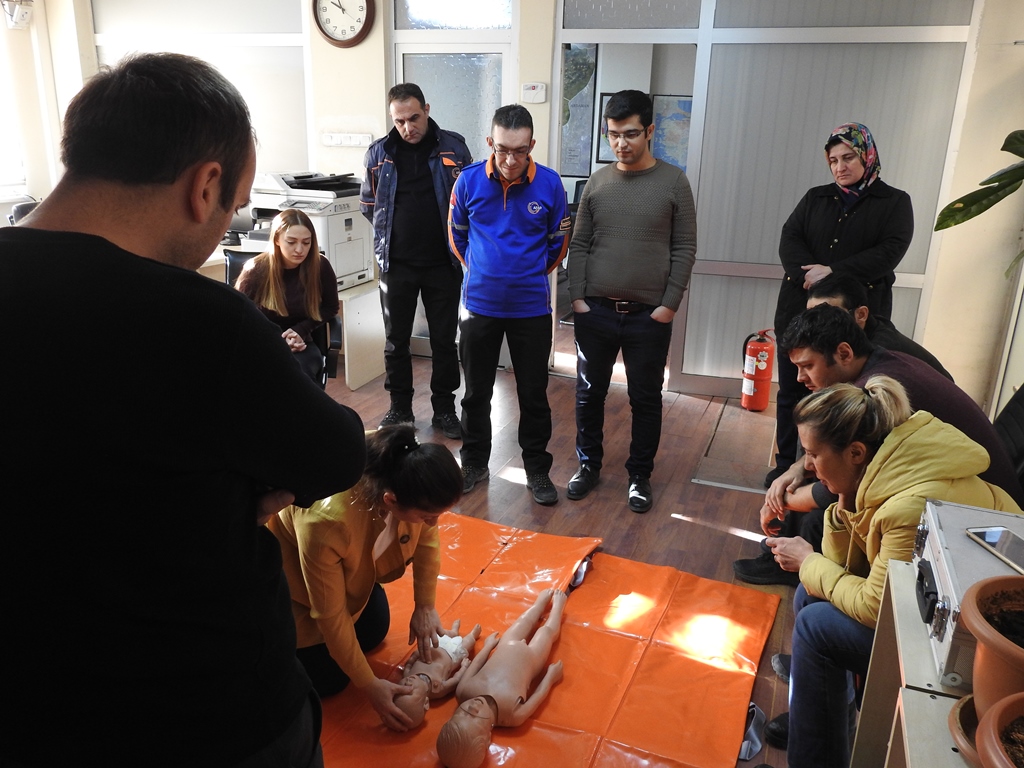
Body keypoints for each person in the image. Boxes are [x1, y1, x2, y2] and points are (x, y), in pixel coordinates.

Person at [0, 53, 367, 768]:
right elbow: (336, 454)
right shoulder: (202, 321)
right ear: (205, 186)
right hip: (202, 709)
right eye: (235, 205)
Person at [762, 376, 1020, 767]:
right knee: (808, 596)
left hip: (980, 646)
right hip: (949, 609)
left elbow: (873, 606)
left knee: (815, 625)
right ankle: (824, 742)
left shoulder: (907, 504)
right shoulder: (887, 465)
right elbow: (846, 568)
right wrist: (842, 503)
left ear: (855, 453)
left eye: (813, 454)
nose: (809, 467)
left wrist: (808, 561)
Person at [733, 277, 953, 585]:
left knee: (823, 504)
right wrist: (796, 470)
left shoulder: (882, 387)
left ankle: (798, 565)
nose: (799, 378)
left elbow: (855, 477)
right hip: (939, 480)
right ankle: (789, 555)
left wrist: (782, 501)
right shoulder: (871, 360)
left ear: (844, 352)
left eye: (808, 366)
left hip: (955, 508)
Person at [268, 425, 464, 732]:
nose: (433, 523)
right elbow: (330, 614)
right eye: (427, 516)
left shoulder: (406, 469)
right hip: (295, 592)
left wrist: (425, 605)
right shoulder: (327, 522)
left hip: (350, 574)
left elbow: (427, 540)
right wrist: (370, 685)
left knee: (374, 629)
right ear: (390, 500)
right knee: (331, 680)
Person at [565, 89, 697, 514]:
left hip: (648, 317)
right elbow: (579, 243)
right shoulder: (598, 182)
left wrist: (669, 304)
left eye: (630, 134)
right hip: (596, 311)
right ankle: (588, 466)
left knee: (646, 399)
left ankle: (639, 476)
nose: (620, 143)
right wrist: (577, 297)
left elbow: (685, 247)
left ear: (650, 131)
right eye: (613, 134)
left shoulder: (674, 182)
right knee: (589, 394)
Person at [772, 122, 914, 488]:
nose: (840, 167)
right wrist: (808, 276)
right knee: (792, 392)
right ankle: (786, 464)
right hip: (799, 311)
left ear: (867, 156)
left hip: (853, 319)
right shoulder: (816, 197)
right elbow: (790, 238)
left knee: (845, 398)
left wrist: (833, 273)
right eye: (833, 160)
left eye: (848, 157)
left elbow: (889, 252)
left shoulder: (894, 202)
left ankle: (832, 475)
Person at [447, 104, 570, 506]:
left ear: (532, 145)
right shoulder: (467, 181)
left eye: (519, 151)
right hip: (479, 306)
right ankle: (474, 463)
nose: (510, 160)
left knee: (534, 394)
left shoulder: (550, 184)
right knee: (475, 393)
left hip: (531, 308)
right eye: (502, 150)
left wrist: (525, 274)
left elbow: (558, 244)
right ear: (490, 143)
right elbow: (457, 236)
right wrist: (485, 271)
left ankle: (536, 469)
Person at [360, 83, 473, 437]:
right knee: (396, 341)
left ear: (426, 109)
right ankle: (400, 409)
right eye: (399, 121)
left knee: (444, 341)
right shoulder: (379, 153)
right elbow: (369, 205)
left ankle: (444, 410)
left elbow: (469, 201)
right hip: (397, 265)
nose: (407, 127)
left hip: (443, 263)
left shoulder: (453, 148)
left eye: (413, 118)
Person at [435, 589, 567, 768]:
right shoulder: (512, 716)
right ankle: (558, 607)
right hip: (532, 658)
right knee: (546, 632)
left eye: (460, 713)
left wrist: (488, 647)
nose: (471, 707)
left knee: (523, 621)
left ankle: (539, 604)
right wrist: (550, 678)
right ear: (487, 737)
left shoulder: (463, 691)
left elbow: (476, 664)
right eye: (473, 717)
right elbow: (537, 697)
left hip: (506, 645)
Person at [235, 208, 339, 384]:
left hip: (301, 344)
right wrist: (277, 341)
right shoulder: (255, 270)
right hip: (263, 343)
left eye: (306, 243)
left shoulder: (320, 266)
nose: (300, 250)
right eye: (291, 242)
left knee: (297, 375)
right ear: (277, 239)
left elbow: (330, 307)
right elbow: (240, 317)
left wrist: (301, 330)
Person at [806, 272, 951, 380]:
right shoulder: (860, 337)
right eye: (811, 316)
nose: (816, 325)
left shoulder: (883, 351)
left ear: (861, 314)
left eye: (829, 316)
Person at [393, 619, 483, 727]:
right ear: (426, 702)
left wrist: (416, 654)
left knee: (440, 634)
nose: (407, 683)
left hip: (432, 647)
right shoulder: (438, 689)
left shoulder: (407, 675)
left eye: (401, 687)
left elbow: (409, 664)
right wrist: (464, 667)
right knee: (468, 643)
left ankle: (453, 632)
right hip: (452, 654)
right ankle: (473, 634)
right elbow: (455, 680)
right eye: (409, 691)